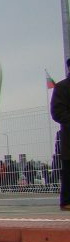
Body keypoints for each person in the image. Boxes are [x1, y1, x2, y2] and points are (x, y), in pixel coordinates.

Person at [50, 58, 70, 210]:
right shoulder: (62, 87)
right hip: (69, 136)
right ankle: (67, 201)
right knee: (69, 169)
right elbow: (57, 112)